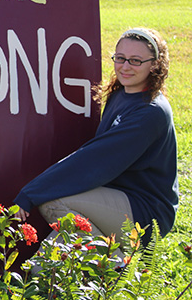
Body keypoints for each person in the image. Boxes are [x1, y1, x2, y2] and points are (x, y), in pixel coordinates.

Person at [14, 28, 178, 249]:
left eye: (136, 61)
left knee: (54, 200)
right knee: (49, 261)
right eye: (120, 58)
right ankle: (53, 275)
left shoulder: (150, 112)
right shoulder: (121, 94)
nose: (125, 66)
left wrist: (31, 191)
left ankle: (113, 266)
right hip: (116, 195)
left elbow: (96, 160)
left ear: (155, 65)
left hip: (145, 212)